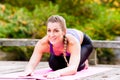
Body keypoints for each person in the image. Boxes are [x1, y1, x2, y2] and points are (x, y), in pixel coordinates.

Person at [23, 15, 93, 79]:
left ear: (64, 32)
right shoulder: (42, 43)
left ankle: (83, 63)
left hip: (84, 44)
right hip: (63, 49)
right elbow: (30, 65)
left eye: (56, 31)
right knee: (54, 64)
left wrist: (58, 73)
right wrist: (29, 70)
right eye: (49, 30)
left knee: (72, 66)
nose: (51, 34)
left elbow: (73, 69)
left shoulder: (72, 42)